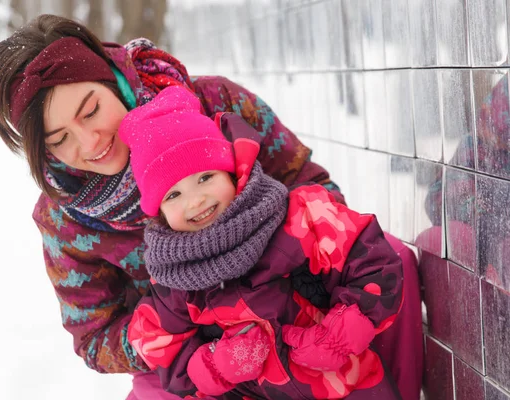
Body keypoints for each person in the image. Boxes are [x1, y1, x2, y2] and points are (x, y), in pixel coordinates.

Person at [0, 14, 422, 400]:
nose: (89, 142)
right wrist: (196, 338)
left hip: (300, 304)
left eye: (91, 110)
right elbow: (95, 338)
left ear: (109, 80)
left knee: (391, 265)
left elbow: (313, 184)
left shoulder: (215, 104)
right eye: (58, 140)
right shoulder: (63, 219)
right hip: (196, 354)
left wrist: (289, 285)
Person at [121, 85, 403, 399]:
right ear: (158, 212)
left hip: (346, 386)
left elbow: (372, 261)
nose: (195, 201)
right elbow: (162, 348)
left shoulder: (300, 217)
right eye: (173, 194)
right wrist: (217, 365)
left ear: (231, 173)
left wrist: (340, 333)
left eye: (205, 178)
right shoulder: (174, 278)